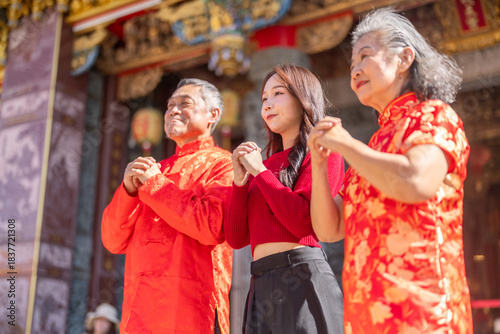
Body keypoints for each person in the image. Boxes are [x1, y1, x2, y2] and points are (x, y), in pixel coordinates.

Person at [308, 8, 472, 333]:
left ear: (404, 58)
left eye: (365, 56)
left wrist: (347, 146)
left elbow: (416, 181)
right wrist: (318, 161)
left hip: (424, 309)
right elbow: (330, 230)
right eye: (352, 63)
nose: (355, 69)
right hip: (368, 313)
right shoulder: (375, 142)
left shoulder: (433, 116)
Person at [101, 78, 234, 333]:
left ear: (212, 115)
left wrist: (154, 185)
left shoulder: (222, 164)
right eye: (170, 105)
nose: (173, 110)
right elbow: (112, 240)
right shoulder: (154, 169)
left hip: (192, 308)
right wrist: (128, 191)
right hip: (140, 309)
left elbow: (212, 227)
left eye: (185, 103)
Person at [224, 64, 345, 333]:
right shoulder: (262, 166)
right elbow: (236, 237)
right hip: (260, 283)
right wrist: (240, 182)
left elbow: (303, 222)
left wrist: (259, 171)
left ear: (303, 99)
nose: (267, 104)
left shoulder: (323, 152)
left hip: (301, 277)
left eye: (278, 93)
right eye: (264, 98)